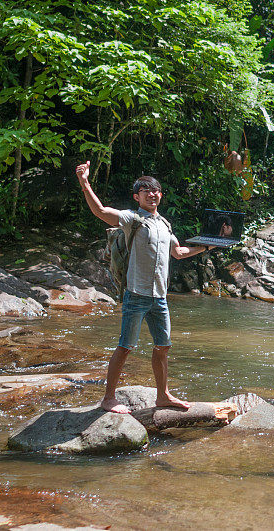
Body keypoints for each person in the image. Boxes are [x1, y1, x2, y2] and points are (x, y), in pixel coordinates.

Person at [75, 160, 209, 413]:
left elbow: (178, 252)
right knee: (125, 347)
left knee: (163, 346)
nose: (152, 194)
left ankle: (163, 396)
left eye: (155, 190)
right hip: (136, 295)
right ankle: (108, 398)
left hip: (160, 297)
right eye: (145, 191)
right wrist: (85, 183)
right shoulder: (131, 219)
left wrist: (208, 246)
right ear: (137, 196)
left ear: (160, 195)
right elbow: (101, 211)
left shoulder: (165, 224)